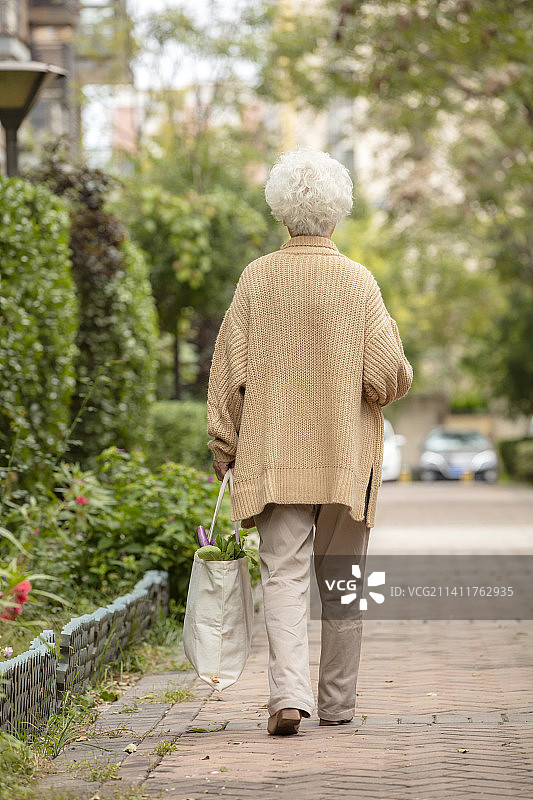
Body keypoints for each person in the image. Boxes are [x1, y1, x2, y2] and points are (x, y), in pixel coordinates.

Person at [207, 147, 413, 736]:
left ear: (280, 211)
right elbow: (385, 376)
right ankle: (338, 704)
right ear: (338, 212)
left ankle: (286, 698)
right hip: (345, 461)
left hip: (273, 459)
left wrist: (225, 445)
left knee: (284, 577)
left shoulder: (256, 279)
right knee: (343, 583)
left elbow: (226, 370)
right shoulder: (357, 281)